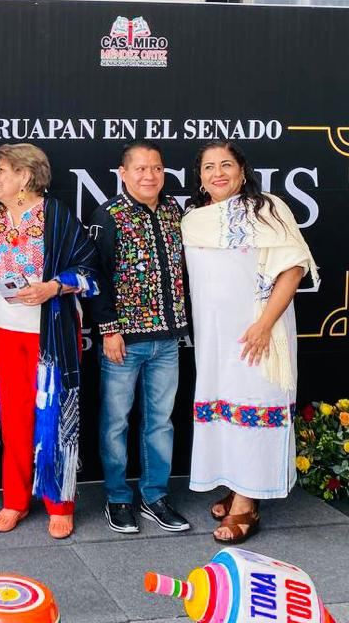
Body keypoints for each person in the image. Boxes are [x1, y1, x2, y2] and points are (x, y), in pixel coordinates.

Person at [183, 140, 317, 544]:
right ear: (200, 178)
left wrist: (264, 324)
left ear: (242, 172)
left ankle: (247, 504)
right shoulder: (193, 219)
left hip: (259, 332)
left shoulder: (268, 209)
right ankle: (237, 483)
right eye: (209, 167)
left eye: (226, 164)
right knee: (224, 407)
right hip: (215, 336)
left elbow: (293, 269)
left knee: (254, 404)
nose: (218, 173)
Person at [0, 143, 98, 540]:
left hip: (51, 333)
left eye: (2, 170)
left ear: (25, 176)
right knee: (13, 418)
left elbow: (90, 270)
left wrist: (54, 286)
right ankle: (14, 500)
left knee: (54, 416)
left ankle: (59, 504)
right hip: (3, 331)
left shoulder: (56, 215)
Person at [88, 140, 190, 535]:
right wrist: (110, 330)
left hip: (168, 341)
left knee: (160, 422)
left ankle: (154, 496)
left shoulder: (173, 211)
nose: (150, 175)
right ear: (124, 173)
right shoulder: (109, 215)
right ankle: (117, 497)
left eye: (157, 168)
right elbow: (95, 277)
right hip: (124, 342)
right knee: (115, 422)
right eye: (141, 168)